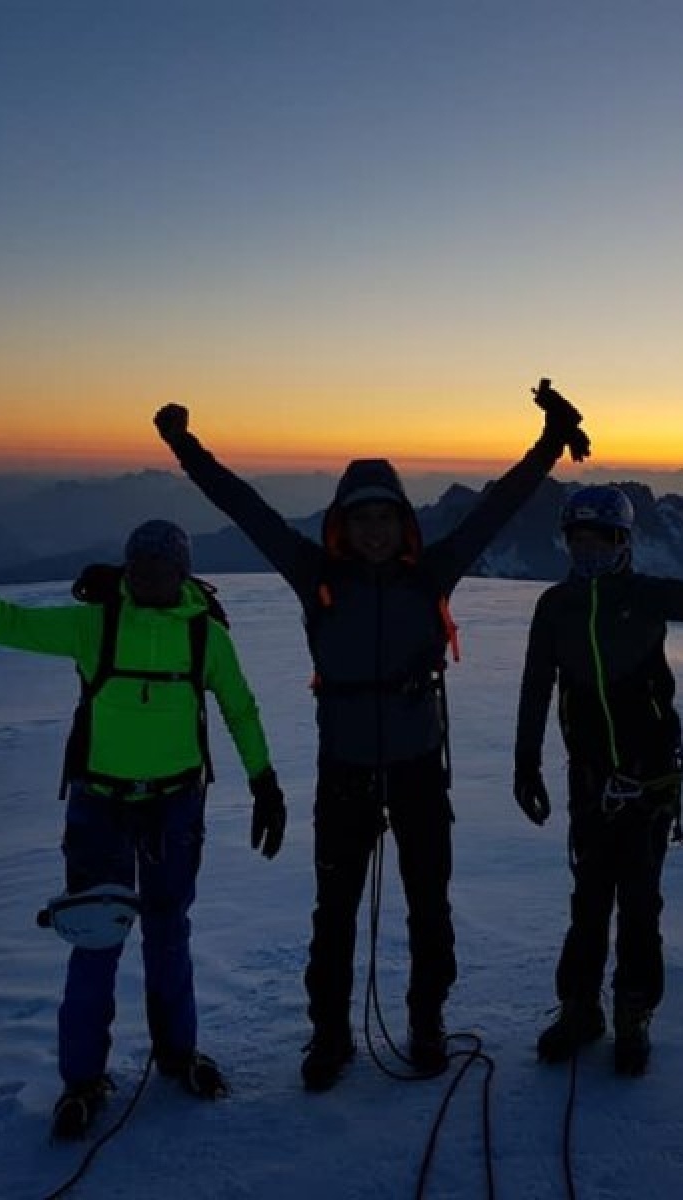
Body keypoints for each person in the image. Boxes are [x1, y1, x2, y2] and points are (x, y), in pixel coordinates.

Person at [153, 383, 590, 1091]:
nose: (376, 531)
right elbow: (246, 508)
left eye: (386, 517)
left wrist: (548, 444)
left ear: (403, 523)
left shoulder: (431, 573)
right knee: (336, 911)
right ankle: (329, 1034)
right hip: (346, 769)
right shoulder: (315, 575)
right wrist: (185, 447)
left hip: (416, 767)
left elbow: (495, 510)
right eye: (363, 520)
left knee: (429, 902)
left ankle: (424, 1022)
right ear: (342, 526)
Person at [0, 517, 287, 1139]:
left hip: (175, 806)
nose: (149, 576)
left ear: (183, 573)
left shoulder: (206, 636)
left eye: (162, 566)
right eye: (140, 565)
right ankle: (82, 1078)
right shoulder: (96, 624)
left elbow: (239, 707)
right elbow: (5, 623)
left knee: (168, 932)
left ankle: (177, 1055)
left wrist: (264, 780)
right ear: (128, 567)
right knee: (97, 937)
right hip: (103, 804)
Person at [512, 485, 683, 1076]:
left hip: (647, 778)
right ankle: (581, 1007)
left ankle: (633, 1009)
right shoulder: (554, 607)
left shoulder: (644, 596)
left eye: (600, 538)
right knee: (589, 899)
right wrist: (525, 761)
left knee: (637, 902)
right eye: (578, 538)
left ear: (622, 542)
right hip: (590, 779)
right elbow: (537, 685)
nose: (587, 549)